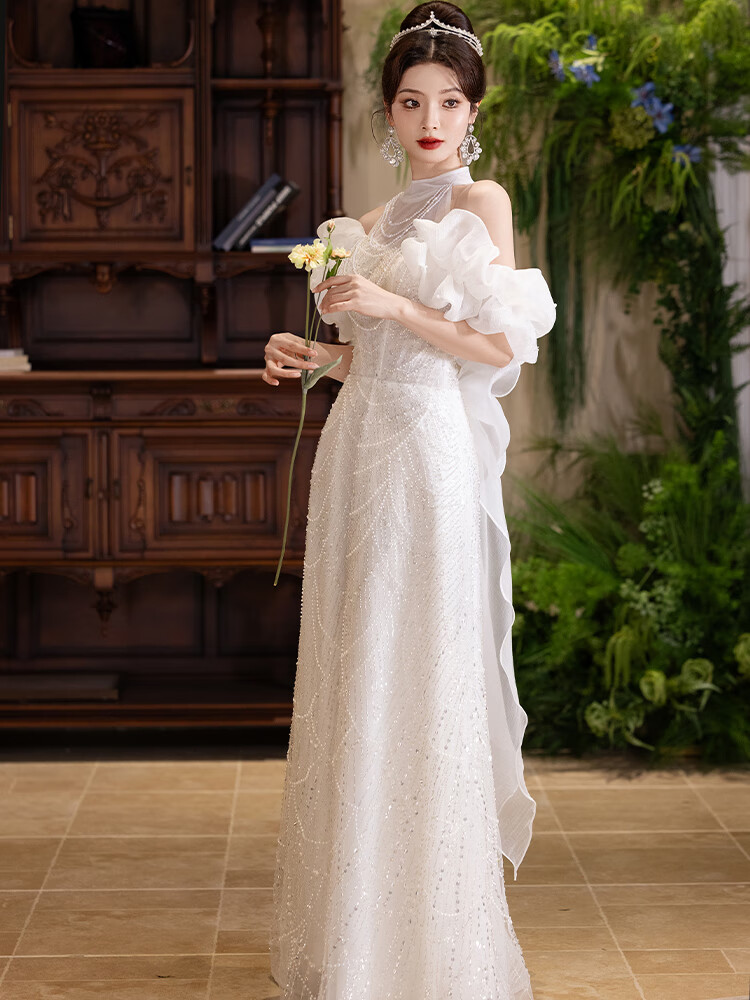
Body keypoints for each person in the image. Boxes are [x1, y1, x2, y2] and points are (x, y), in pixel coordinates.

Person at [263, 4, 556, 997]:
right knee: (359, 672)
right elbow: (377, 358)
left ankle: (434, 954)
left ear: (473, 111)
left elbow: (497, 348)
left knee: (416, 669)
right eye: (411, 101)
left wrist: (390, 304)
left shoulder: (482, 202)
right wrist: (315, 355)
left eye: (450, 101)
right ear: (387, 111)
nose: (431, 119)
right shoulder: (376, 220)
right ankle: (358, 943)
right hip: (356, 451)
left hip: (426, 456)